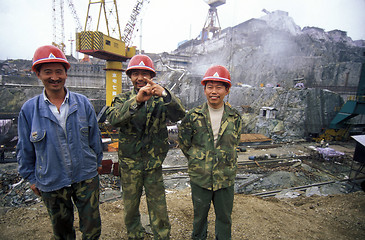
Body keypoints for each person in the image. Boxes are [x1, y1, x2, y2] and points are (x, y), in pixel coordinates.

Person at [17, 45, 103, 240]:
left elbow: (94, 139)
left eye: (59, 71)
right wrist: (31, 178)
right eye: (48, 72)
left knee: (92, 229)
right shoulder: (29, 110)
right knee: (62, 232)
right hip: (51, 180)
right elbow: (24, 149)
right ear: (38, 74)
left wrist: (96, 164)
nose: (54, 77)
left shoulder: (82, 104)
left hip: (85, 177)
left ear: (66, 73)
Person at [106, 54, 185, 240]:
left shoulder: (161, 100)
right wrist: (137, 101)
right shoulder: (122, 99)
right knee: (131, 206)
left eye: (144, 74)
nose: (140, 78)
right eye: (135, 74)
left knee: (158, 205)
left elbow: (179, 114)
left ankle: (162, 236)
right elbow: (114, 118)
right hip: (130, 164)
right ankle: (135, 235)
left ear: (152, 76)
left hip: (153, 164)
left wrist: (165, 94)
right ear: (130, 76)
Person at [178, 65, 242, 240]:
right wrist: (198, 161)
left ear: (227, 90)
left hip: (225, 178)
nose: (214, 91)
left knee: (224, 218)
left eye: (219, 87)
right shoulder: (193, 116)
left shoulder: (235, 118)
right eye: (210, 87)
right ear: (204, 89)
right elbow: (184, 144)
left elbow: (234, 143)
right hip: (201, 178)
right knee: (199, 218)